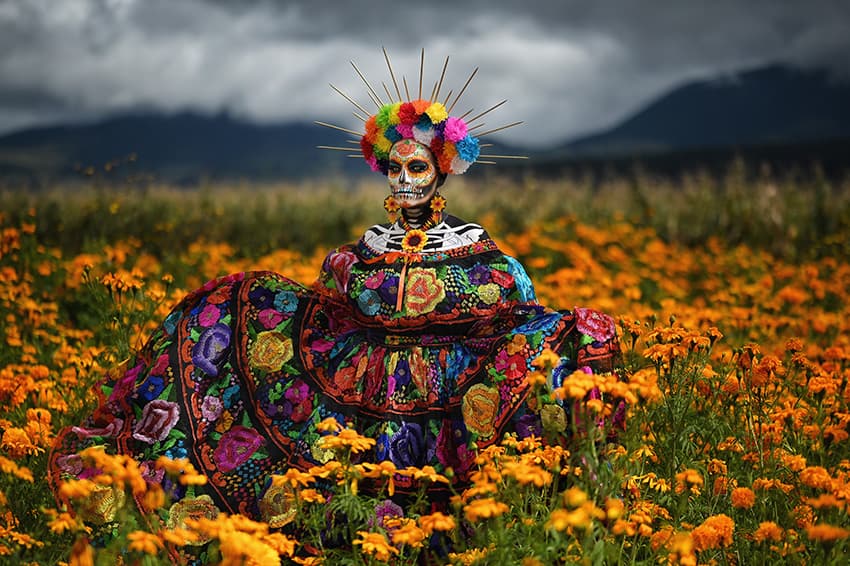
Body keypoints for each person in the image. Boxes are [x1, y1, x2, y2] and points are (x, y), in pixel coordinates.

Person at [49, 49, 621, 555]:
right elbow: (338, 303)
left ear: (442, 171)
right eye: (394, 168)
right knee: (242, 311)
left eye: (417, 167)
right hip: (362, 382)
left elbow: (511, 307)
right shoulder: (365, 249)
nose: (403, 180)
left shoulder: (476, 247)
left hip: (449, 388)